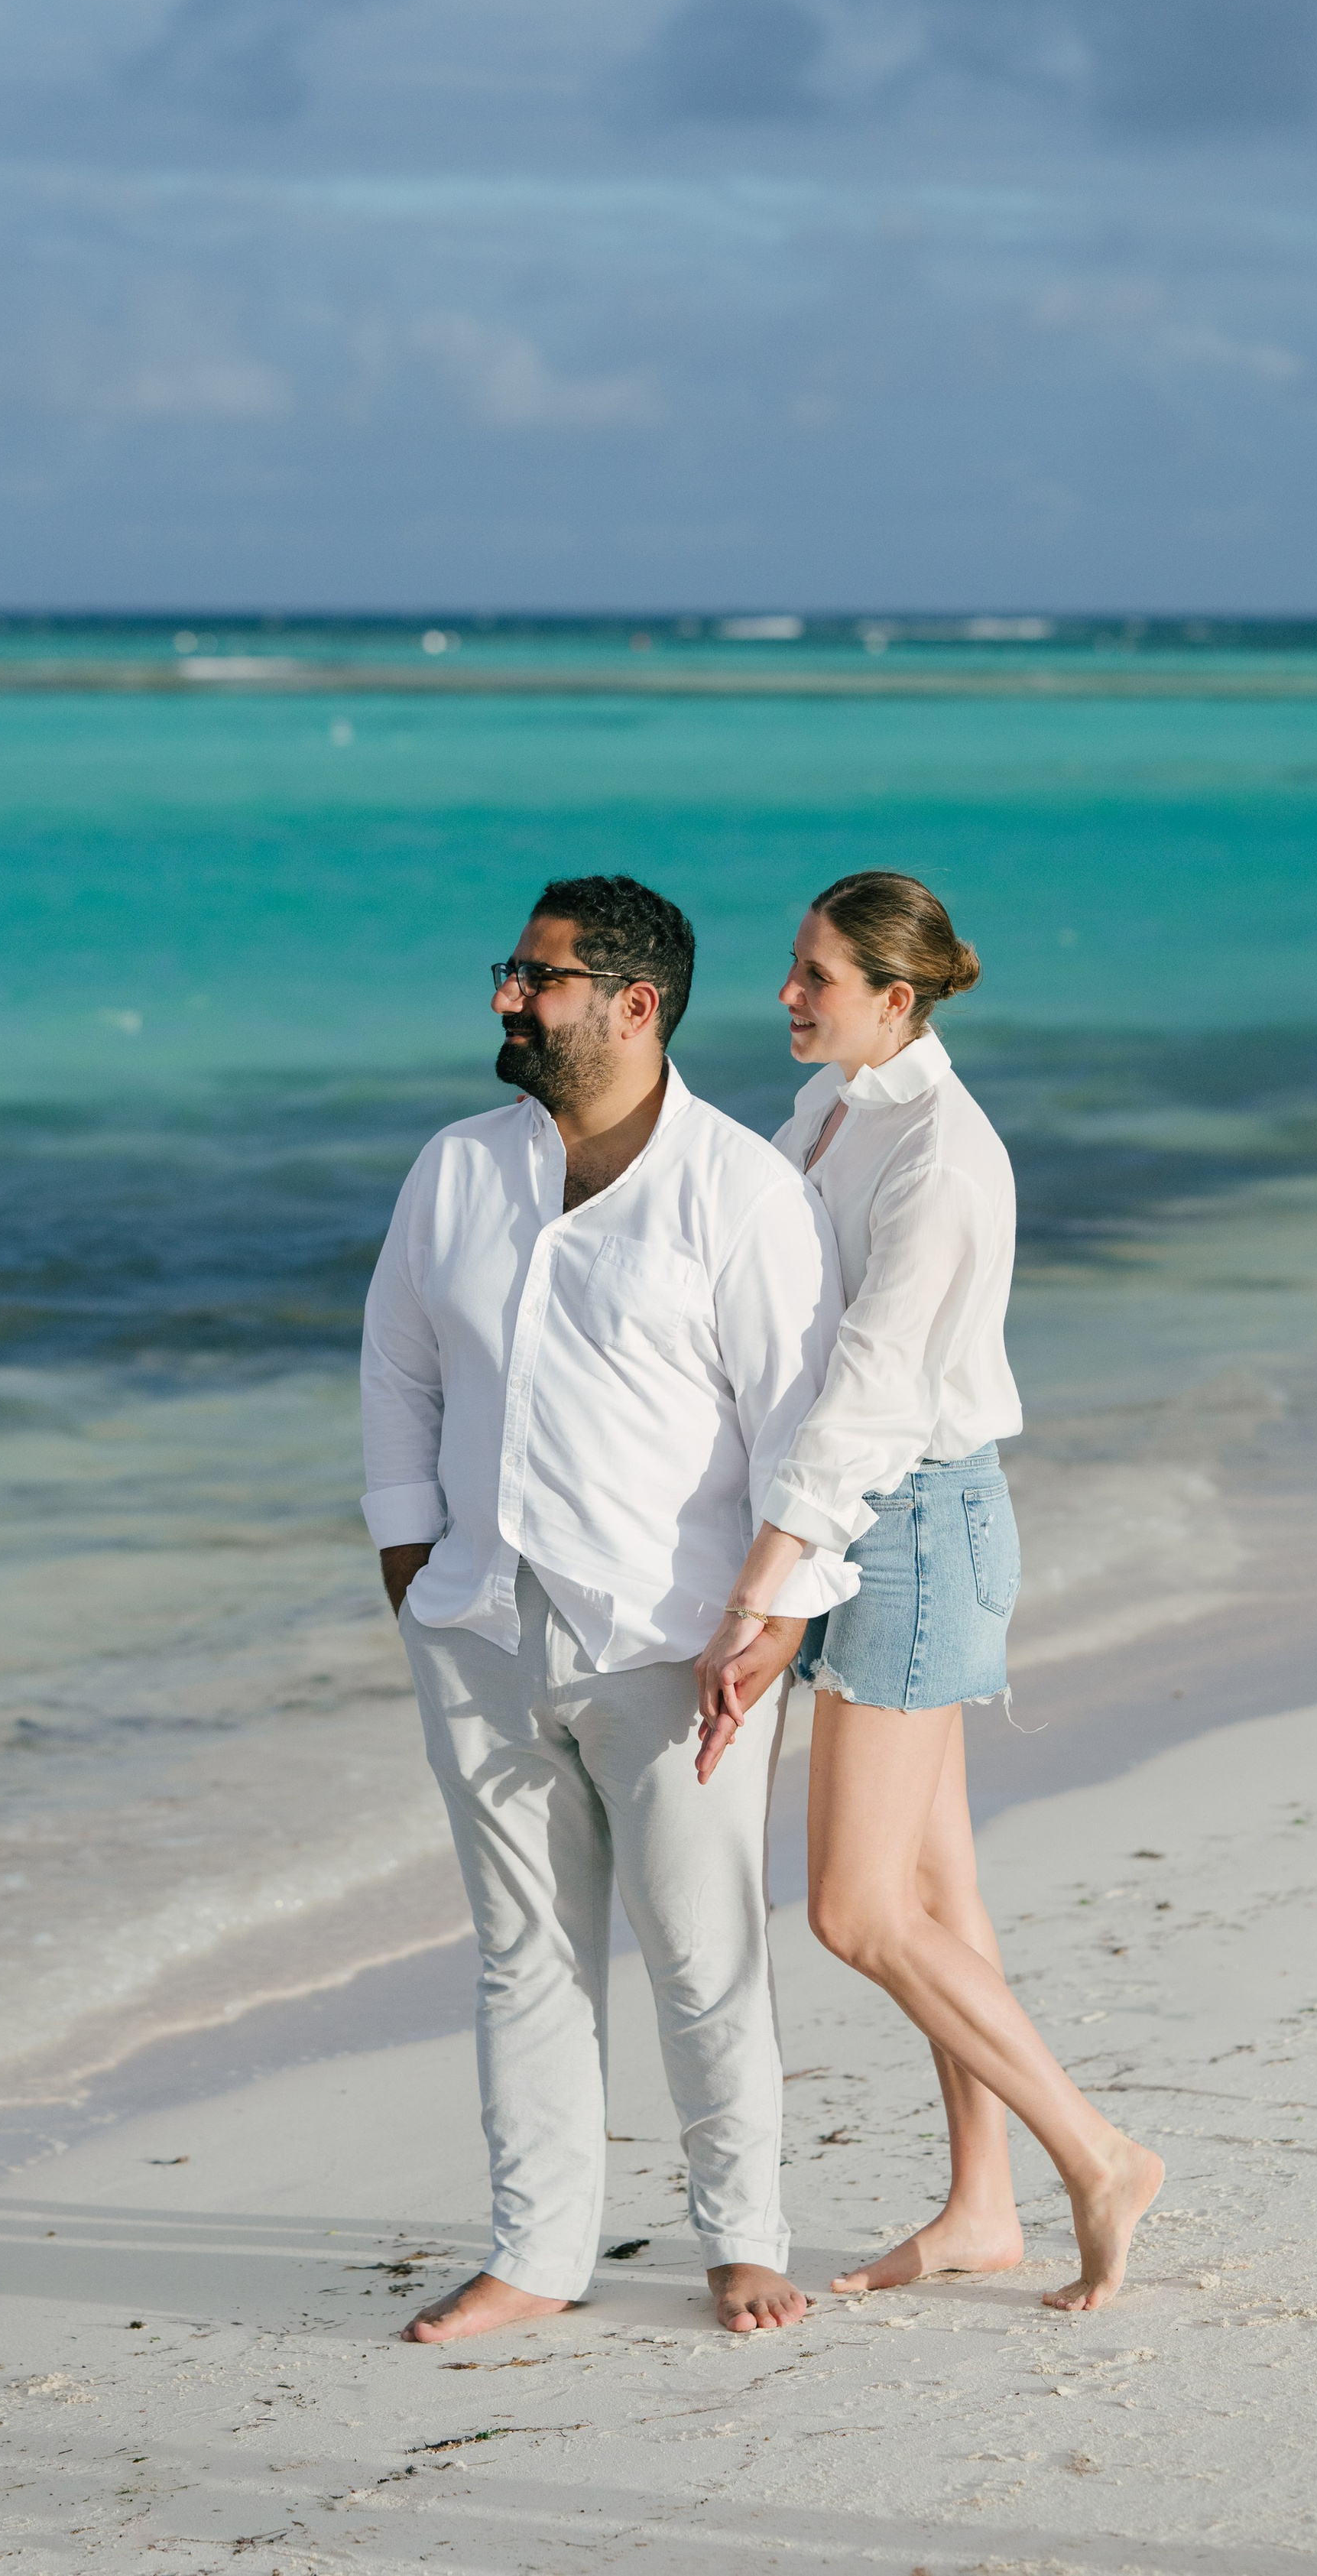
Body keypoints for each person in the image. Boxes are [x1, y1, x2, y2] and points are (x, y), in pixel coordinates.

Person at [361, 874, 852, 2343]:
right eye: (509, 970)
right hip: (475, 1623)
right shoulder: (455, 1167)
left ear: (637, 1005)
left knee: (702, 1951)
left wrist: (778, 1617)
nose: (508, 996)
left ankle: (744, 2238)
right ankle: (537, 2249)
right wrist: (410, 1564)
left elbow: (804, 1427)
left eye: (540, 977)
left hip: (672, 1642)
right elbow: (397, 1371)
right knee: (524, 1953)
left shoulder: (739, 1190)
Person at [695, 871, 1163, 2314]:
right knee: (941, 1893)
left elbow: (873, 1394)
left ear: (897, 1000)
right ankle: (982, 2205)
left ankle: (1096, 2151)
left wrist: (766, 1585)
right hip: (869, 1520)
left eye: (818, 976)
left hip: (905, 1527)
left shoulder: (943, 1157)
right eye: (793, 964)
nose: (788, 992)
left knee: (852, 1908)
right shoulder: (840, 1108)